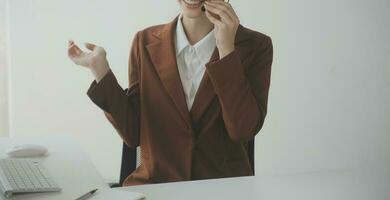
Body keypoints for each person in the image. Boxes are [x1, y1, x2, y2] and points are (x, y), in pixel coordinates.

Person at [68, 0, 273, 186]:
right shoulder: (144, 41)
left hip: (221, 188)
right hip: (156, 187)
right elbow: (132, 133)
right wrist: (100, 70)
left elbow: (243, 130)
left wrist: (227, 49)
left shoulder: (256, 46)